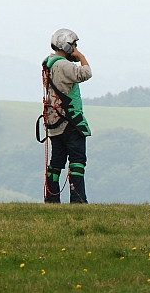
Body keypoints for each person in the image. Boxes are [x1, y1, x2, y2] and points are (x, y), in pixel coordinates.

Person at [40, 28, 92, 204]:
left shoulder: (50, 64)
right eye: (74, 45)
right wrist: (81, 58)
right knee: (77, 161)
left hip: (55, 121)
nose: (75, 49)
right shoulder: (63, 65)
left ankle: (51, 199)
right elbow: (85, 73)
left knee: (56, 162)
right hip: (70, 121)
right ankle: (78, 200)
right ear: (66, 45)